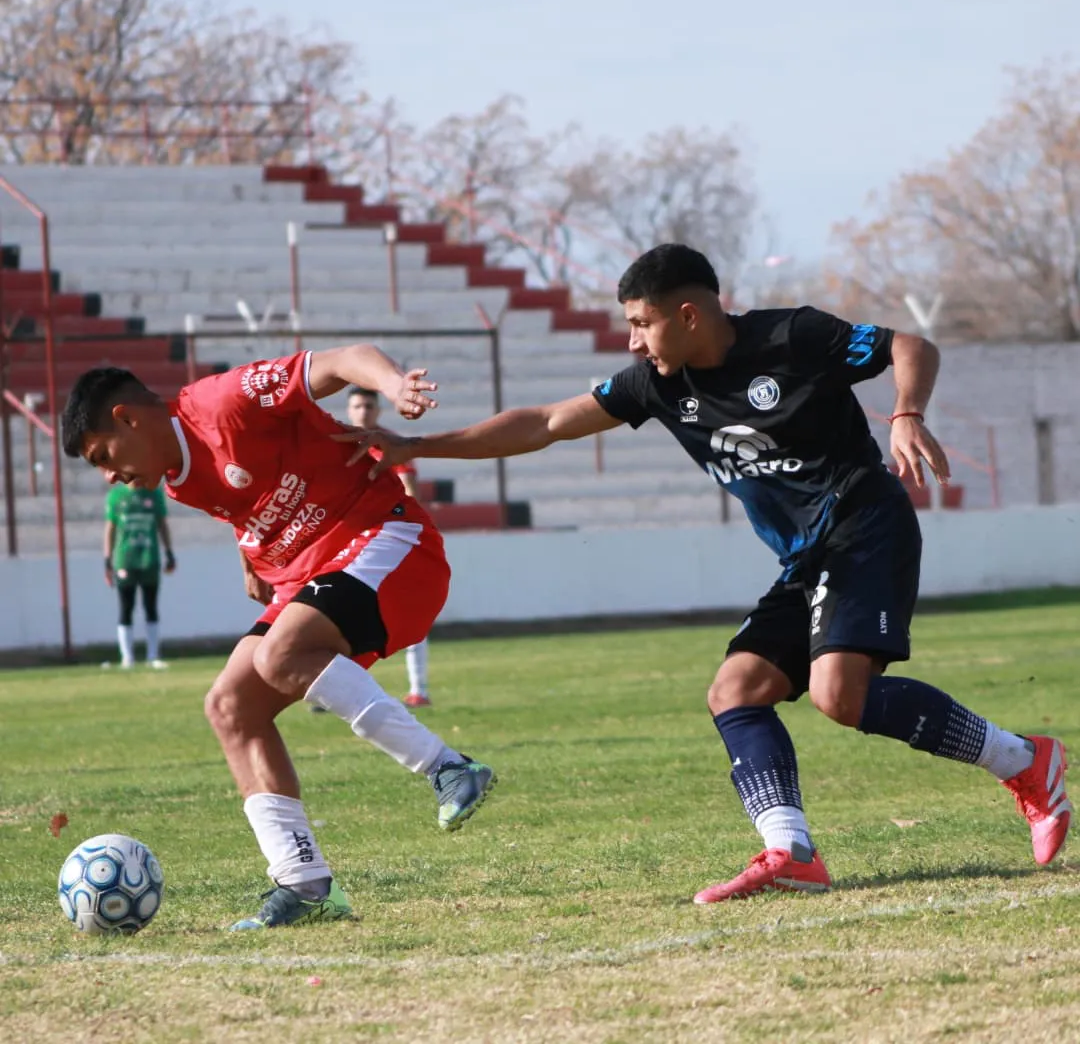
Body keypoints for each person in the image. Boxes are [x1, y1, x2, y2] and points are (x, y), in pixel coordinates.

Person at [342, 243, 1071, 902]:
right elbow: (545, 423)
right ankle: (791, 851)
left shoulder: (791, 336)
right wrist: (417, 448)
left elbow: (911, 343)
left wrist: (906, 412)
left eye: (642, 322)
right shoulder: (656, 383)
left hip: (863, 524)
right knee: (736, 690)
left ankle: (1024, 761)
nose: (632, 340)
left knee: (838, 697)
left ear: (688, 314)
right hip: (804, 556)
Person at [62, 345, 497, 930]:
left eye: (102, 457)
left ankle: (448, 768)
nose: (110, 476)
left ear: (127, 419)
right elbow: (254, 498)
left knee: (280, 653)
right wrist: (251, 550)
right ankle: (305, 883)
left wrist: (394, 386)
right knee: (229, 706)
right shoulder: (177, 483)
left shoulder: (223, 401)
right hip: (311, 573)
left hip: (388, 542)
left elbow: (346, 358)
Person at [345, 386, 431, 707]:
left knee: (409, 616)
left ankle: (419, 690)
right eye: (357, 406)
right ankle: (339, 693)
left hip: (390, 541)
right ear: (349, 410)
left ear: (378, 410)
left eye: (369, 405)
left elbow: (410, 494)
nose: (363, 411)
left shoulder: (393, 445)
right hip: (349, 543)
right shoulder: (337, 445)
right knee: (342, 619)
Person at [103, 480, 175, 669]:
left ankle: (152, 656)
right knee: (126, 607)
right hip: (125, 560)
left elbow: (162, 524)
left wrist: (169, 552)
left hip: (149, 558)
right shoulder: (116, 496)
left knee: (150, 606)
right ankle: (127, 658)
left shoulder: (154, 494)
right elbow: (110, 529)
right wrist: (107, 561)